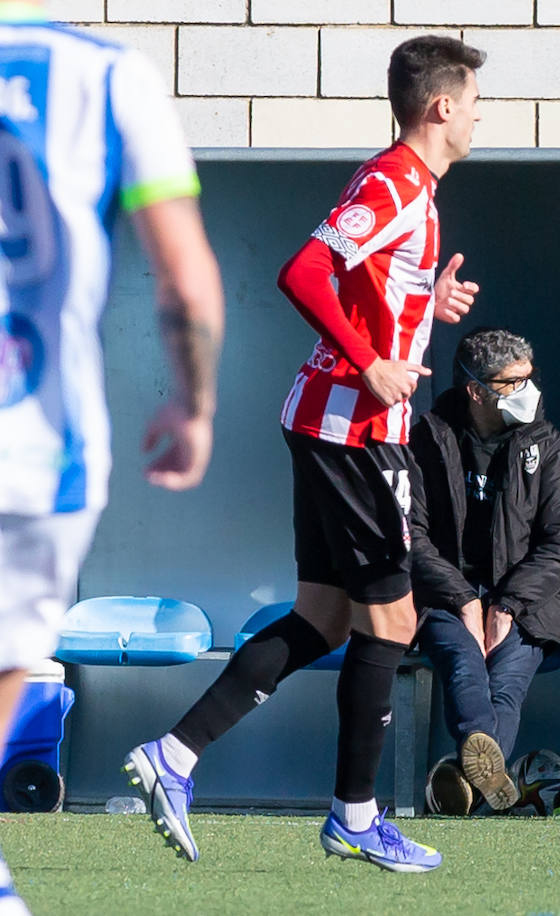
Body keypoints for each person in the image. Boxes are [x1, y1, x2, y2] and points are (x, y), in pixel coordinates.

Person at [125, 35, 485, 873]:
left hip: (336, 425)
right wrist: (370, 363)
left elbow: (360, 282)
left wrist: (424, 302)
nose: (477, 118)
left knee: (324, 617)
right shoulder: (395, 179)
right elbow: (304, 270)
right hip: (351, 430)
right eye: (473, 103)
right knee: (391, 620)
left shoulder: (413, 192)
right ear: (440, 107)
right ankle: (354, 816)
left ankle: (174, 756)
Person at [0, 3, 225, 911]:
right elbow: (182, 270)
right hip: (37, 441)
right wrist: (195, 403)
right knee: (10, 651)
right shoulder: (107, 71)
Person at [410, 327, 560, 815]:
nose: (528, 391)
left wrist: (507, 604)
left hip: (530, 600)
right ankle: (484, 774)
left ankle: (466, 776)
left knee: (506, 678)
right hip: (446, 593)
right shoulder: (427, 437)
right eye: (512, 382)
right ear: (475, 390)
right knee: (464, 664)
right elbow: (411, 536)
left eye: (529, 378)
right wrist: (465, 599)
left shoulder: (550, 446)